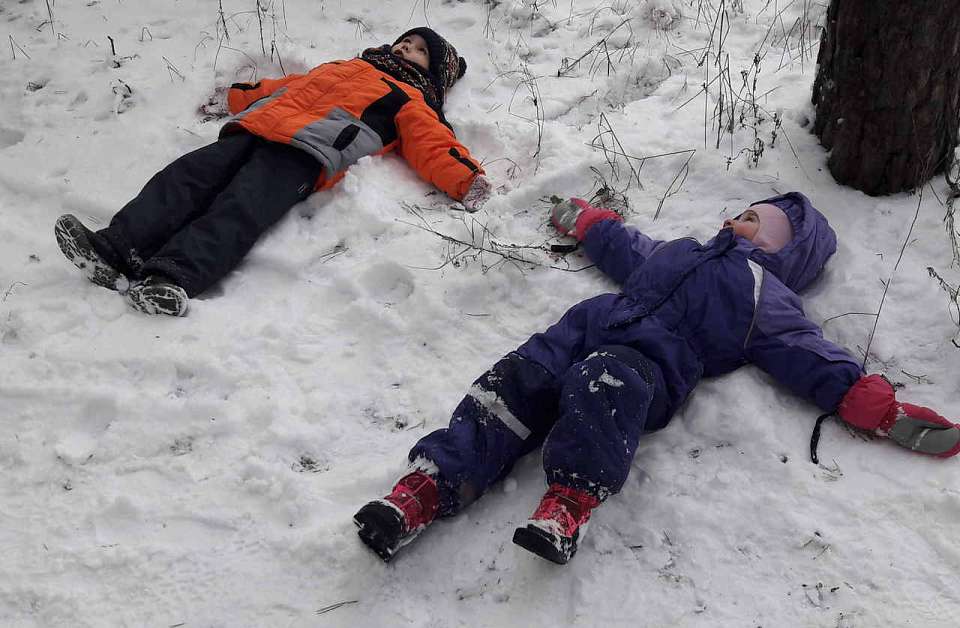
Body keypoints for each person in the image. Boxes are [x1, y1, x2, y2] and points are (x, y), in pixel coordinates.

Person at [353, 192, 960, 565]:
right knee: (517, 381)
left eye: (753, 219)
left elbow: (808, 353)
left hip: (653, 361)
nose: (736, 218)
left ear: (780, 248)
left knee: (605, 384)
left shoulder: (764, 297)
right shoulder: (681, 252)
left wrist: (874, 405)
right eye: (742, 211)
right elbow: (629, 249)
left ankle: (566, 505)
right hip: (590, 323)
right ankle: (428, 487)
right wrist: (590, 223)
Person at [54, 28, 491, 316]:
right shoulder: (343, 66)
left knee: (240, 208)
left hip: (306, 154)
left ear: (434, 74)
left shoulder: (411, 100)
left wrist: (468, 179)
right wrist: (236, 98)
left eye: (419, 51)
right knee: (183, 178)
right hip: (255, 129)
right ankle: (116, 248)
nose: (404, 49)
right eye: (405, 41)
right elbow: (284, 88)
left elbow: (434, 145)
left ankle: (171, 276)